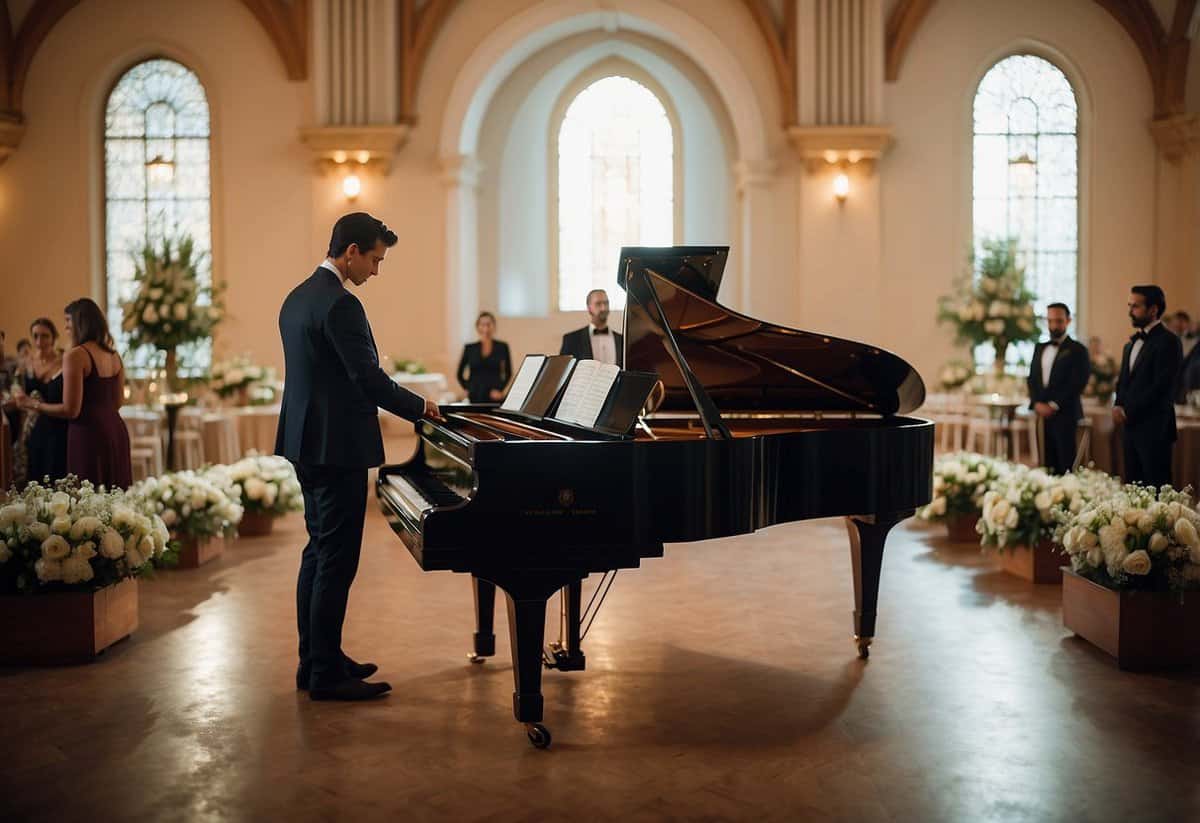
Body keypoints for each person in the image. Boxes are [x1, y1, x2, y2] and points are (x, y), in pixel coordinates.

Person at [276, 211, 442, 702]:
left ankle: (316, 659)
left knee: (317, 550)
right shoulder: (341, 305)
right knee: (336, 559)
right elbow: (367, 379)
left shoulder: (296, 298)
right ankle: (325, 673)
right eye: (374, 258)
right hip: (337, 449)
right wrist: (421, 407)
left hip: (305, 444)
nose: (376, 269)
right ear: (351, 251)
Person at [18, 300, 132, 489]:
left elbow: (71, 410)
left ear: (80, 323)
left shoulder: (76, 355)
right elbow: (118, 402)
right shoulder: (114, 355)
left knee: (87, 502)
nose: (66, 327)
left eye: (68, 321)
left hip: (88, 434)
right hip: (116, 431)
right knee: (115, 501)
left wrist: (32, 404)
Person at [1114, 285, 1183, 487]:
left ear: (1153, 309)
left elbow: (1162, 386)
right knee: (1133, 487)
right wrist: (1118, 404)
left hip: (1155, 428)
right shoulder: (1130, 344)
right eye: (1130, 305)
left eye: (1135, 306)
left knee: (1156, 489)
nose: (1130, 311)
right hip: (1130, 428)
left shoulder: (1169, 342)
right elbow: (1123, 381)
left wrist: (1129, 410)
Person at [1026, 303, 1090, 475]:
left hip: (1066, 414)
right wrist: (1036, 402)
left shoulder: (1078, 350)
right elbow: (1032, 379)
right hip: (1041, 416)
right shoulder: (1039, 347)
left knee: (1066, 465)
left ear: (1068, 321)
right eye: (1050, 321)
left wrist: (1054, 405)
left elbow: (1078, 383)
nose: (1054, 326)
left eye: (1059, 321)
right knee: (1045, 465)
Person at [20, 318, 69, 485]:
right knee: (36, 476)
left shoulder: (64, 361)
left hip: (58, 425)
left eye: (45, 336)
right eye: (35, 336)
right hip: (35, 428)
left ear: (54, 337)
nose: (39, 341)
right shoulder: (27, 363)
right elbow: (21, 391)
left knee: (56, 475)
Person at [456, 311, 512, 403]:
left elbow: (508, 373)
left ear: (494, 326)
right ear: (477, 327)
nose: (486, 328)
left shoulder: (502, 347)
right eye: (482, 324)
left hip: (494, 396)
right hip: (474, 395)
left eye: (489, 324)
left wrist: (500, 390)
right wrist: (467, 388)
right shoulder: (469, 348)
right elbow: (459, 374)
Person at [560, 288, 623, 366]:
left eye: (606, 303)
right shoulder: (571, 340)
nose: (603, 308)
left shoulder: (622, 340)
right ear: (589, 308)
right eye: (598, 304)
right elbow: (564, 370)